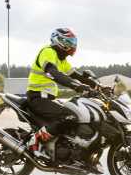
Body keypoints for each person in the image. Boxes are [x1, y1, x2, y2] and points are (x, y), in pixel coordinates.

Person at [25, 28, 97, 157]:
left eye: (73, 43)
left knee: (75, 113)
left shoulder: (62, 60)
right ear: (59, 41)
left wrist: (97, 85)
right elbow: (55, 73)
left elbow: (75, 75)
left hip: (47, 99)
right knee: (69, 116)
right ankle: (35, 140)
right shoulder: (48, 52)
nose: (72, 46)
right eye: (69, 43)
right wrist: (78, 87)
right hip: (37, 97)